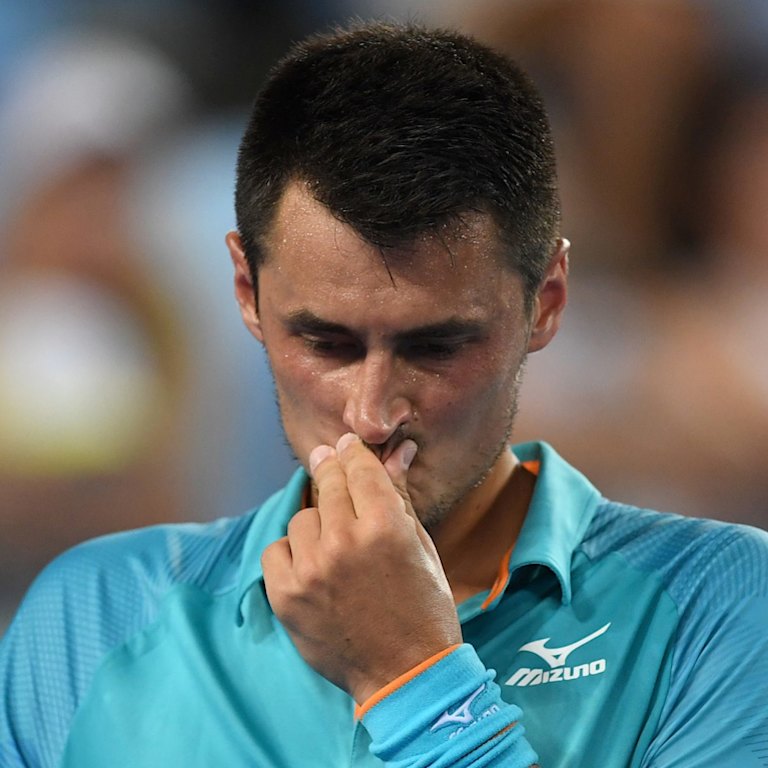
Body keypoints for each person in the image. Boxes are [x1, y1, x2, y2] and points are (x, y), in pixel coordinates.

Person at [1, 20, 767, 768]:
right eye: (325, 343)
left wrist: (410, 673)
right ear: (246, 289)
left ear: (548, 300)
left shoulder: (729, 605)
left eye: (435, 347)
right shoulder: (91, 618)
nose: (371, 414)